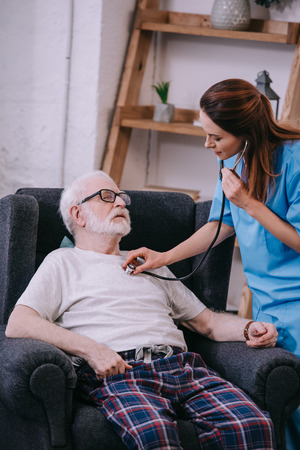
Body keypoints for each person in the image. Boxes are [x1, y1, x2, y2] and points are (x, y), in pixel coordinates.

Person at [5, 170, 278, 450]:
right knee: (155, 436)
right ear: (78, 214)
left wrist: (248, 328)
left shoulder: (149, 262)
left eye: (121, 197)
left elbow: (207, 323)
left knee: (254, 425)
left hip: (184, 367)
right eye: (107, 197)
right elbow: (19, 322)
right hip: (122, 372)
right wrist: (91, 350)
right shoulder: (63, 262)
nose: (121, 203)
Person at [123, 78, 300, 449]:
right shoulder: (233, 159)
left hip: (298, 299)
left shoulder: (296, 160)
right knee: (281, 406)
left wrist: (249, 201)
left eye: (215, 137)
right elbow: (221, 223)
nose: (208, 144)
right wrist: (165, 257)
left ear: (246, 131)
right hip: (270, 303)